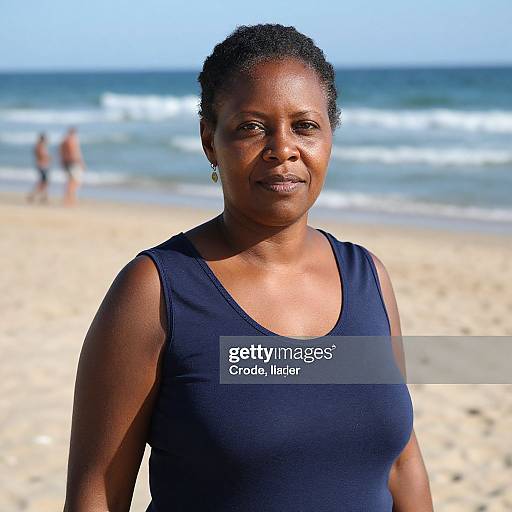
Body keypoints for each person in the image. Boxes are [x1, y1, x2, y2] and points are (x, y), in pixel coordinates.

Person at [64, 24, 433, 511]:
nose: (283, 149)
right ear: (209, 141)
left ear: (329, 138)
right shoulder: (156, 291)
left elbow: (401, 463)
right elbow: (97, 495)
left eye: (305, 126)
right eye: (251, 127)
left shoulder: (366, 277)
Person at [60, 127, 85, 206]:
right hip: (73, 162)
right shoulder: (71, 141)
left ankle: (69, 198)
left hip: (66, 162)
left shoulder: (64, 141)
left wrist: (63, 161)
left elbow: (61, 152)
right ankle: (70, 199)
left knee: (70, 181)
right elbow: (74, 153)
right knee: (75, 181)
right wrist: (81, 162)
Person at [27, 133, 51, 203]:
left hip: (42, 165)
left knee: (44, 182)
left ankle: (43, 196)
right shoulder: (40, 146)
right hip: (42, 165)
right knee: (43, 182)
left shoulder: (39, 146)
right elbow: (42, 155)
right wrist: (48, 157)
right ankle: (36, 195)